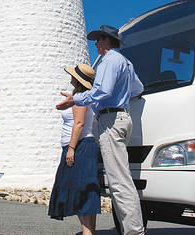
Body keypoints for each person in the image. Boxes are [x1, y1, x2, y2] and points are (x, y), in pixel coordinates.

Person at [56, 25, 145, 235]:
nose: (95, 43)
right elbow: (138, 88)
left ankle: (135, 232)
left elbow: (102, 90)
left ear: (107, 40)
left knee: (119, 183)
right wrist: (122, 98)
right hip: (122, 117)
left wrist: (75, 99)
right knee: (121, 179)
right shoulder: (127, 63)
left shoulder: (108, 61)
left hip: (111, 120)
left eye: (97, 40)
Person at [48, 64, 100, 235]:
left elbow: (79, 123)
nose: (70, 77)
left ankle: (87, 232)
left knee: (80, 190)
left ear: (78, 80)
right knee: (85, 190)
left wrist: (71, 148)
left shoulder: (81, 98)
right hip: (85, 146)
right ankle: (89, 232)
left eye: (73, 75)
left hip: (80, 147)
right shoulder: (83, 97)